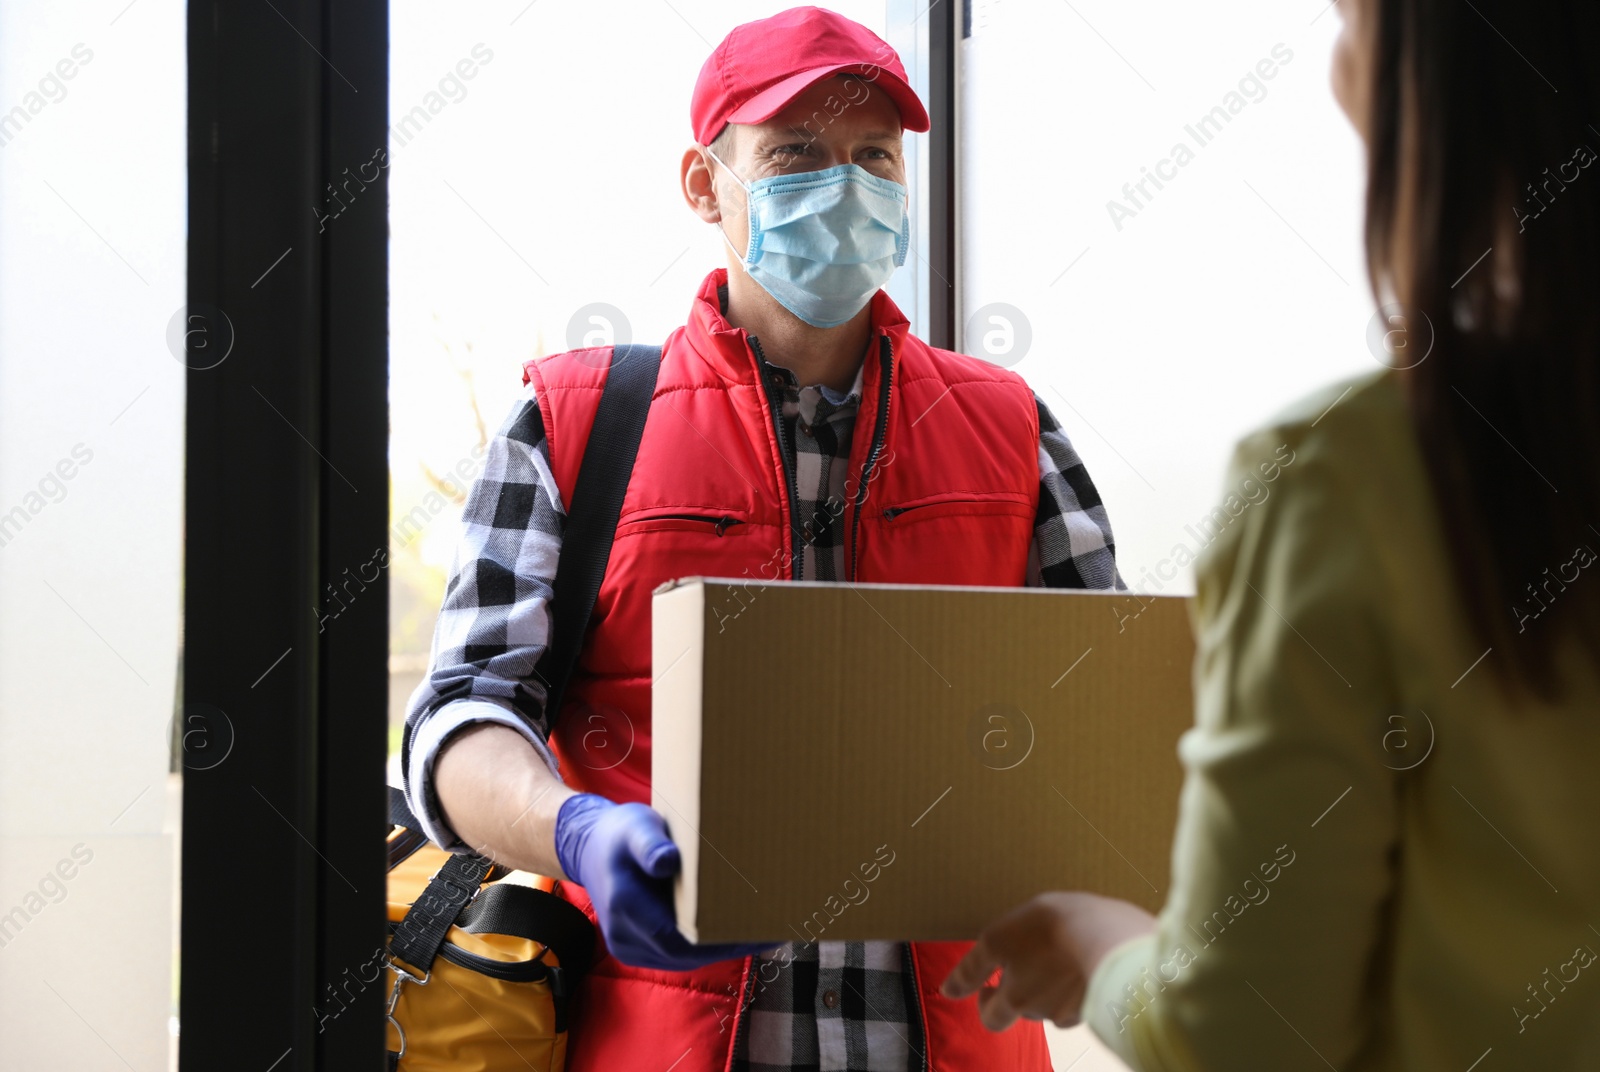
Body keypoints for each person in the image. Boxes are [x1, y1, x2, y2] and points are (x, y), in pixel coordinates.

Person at [402, 7, 1122, 1070]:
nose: (844, 188)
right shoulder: (578, 422)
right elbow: (459, 720)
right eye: (794, 153)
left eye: (873, 156)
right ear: (704, 183)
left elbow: (1112, 723)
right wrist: (577, 835)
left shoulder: (1011, 428)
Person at [941, 0, 1600, 1067]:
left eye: (1348, 20)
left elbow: (1248, 1031)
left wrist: (1101, 942)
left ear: (1425, 78)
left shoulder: (1348, 480)